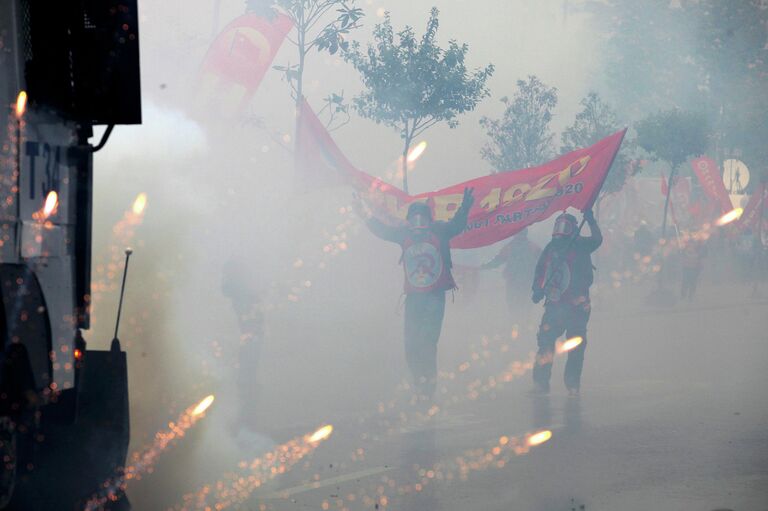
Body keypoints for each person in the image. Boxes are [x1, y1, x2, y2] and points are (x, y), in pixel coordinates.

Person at [356, 188, 474, 400]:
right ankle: (420, 383)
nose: (418, 223)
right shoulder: (404, 235)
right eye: (414, 219)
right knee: (411, 345)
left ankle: (427, 389)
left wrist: (464, 208)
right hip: (413, 299)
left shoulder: (439, 231)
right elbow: (381, 230)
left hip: (435, 298)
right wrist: (363, 214)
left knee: (427, 342)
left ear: (429, 219)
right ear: (409, 221)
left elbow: (457, 225)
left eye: (422, 218)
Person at [531, 209, 602, 395]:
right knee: (545, 342)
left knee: (576, 345)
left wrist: (591, 220)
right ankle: (540, 382)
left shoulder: (580, 245)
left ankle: (572, 384)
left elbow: (597, 240)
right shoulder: (551, 248)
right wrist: (537, 290)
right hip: (554, 305)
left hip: (577, 306)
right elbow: (541, 271)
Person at [481, 228, 541, 317]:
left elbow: (497, 260)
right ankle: (523, 324)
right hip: (526, 282)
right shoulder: (532, 246)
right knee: (525, 306)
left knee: (514, 305)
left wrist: (486, 266)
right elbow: (543, 260)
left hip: (516, 282)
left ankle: (516, 323)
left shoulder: (510, 247)